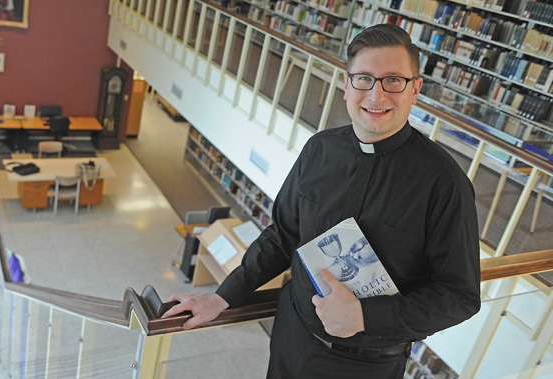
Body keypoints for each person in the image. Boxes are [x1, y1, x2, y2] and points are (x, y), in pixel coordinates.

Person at [163, 23, 481, 378]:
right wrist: (222, 296)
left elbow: (458, 296)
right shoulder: (319, 149)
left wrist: (365, 316)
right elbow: (283, 234)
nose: (377, 96)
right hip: (291, 336)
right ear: (346, 85)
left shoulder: (444, 183)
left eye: (394, 80)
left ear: (415, 89)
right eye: (364, 79)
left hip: (366, 365)